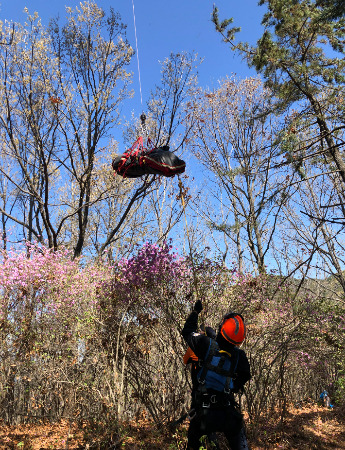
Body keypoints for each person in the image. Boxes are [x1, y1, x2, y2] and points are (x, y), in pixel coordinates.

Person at [182, 300, 251, 450]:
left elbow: (187, 331)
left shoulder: (204, 343)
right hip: (226, 410)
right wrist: (232, 386)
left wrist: (195, 312)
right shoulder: (239, 356)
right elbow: (245, 375)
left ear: (222, 328)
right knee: (238, 437)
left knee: (194, 442)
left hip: (202, 414)